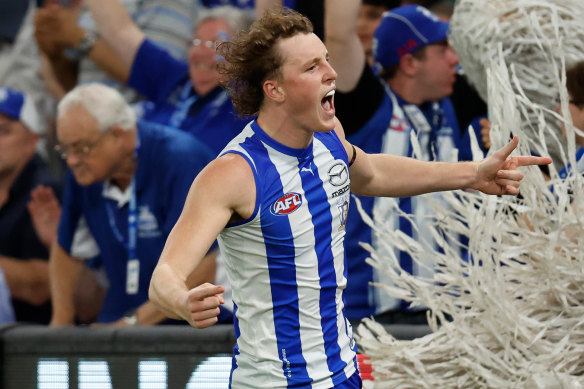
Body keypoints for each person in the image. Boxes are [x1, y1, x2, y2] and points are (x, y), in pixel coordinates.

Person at [148, 8, 550, 388]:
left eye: (325, 59)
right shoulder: (233, 173)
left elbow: (371, 173)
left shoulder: (328, 134)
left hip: (343, 372)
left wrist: (472, 174)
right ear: (274, 89)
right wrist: (182, 301)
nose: (331, 73)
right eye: (312, 67)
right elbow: (164, 277)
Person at [325, 2, 466, 323]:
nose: (455, 60)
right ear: (410, 62)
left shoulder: (449, 103)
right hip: (371, 316)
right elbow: (338, 36)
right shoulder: (364, 103)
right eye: (443, 49)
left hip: (446, 314)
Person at [50, 83, 216, 326]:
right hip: (120, 315)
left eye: (81, 148)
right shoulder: (85, 174)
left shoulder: (180, 160)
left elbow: (205, 266)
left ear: (119, 135)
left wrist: (131, 326)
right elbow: (67, 251)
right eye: (65, 149)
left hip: (192, 324)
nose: (73, 161)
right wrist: (60, 325)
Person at [82, 0, 254, 155]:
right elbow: (120, 30)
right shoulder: (174, 79)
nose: (200, 52)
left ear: (243, 54)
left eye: (215, 44)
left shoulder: (248, 101)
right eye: (196, 41)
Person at [0, 87, 61, 324]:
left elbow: (43, 285)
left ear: (32, 140)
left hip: (37, 345)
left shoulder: (47, 192)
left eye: (4, 132)